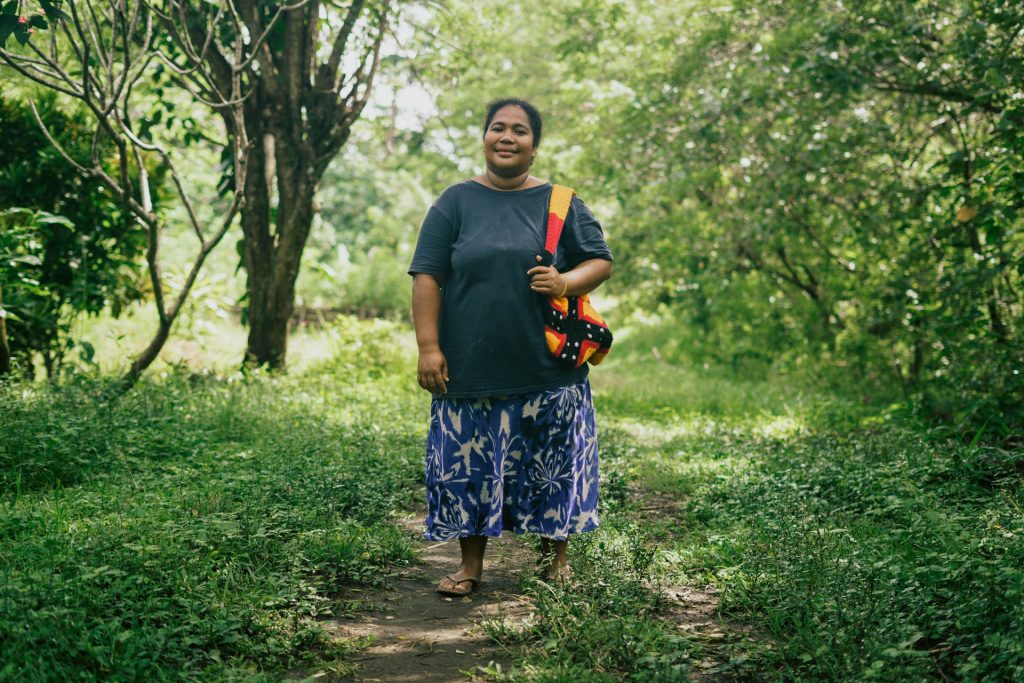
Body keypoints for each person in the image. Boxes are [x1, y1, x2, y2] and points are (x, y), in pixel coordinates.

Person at [408, 97, 613, 596]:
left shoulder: (561, 203)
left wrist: (564, 282)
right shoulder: (454, 202)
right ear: (484, 139)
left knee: (553, 465)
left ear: (534, 147)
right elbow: (427, 276)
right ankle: (469, 567)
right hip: (469, 367)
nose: (507, 137)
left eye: (520, 131)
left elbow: (600, 262)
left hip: (548, 369)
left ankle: (554, 564)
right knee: (468, 468)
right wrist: (429, 348)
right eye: (497, 128)